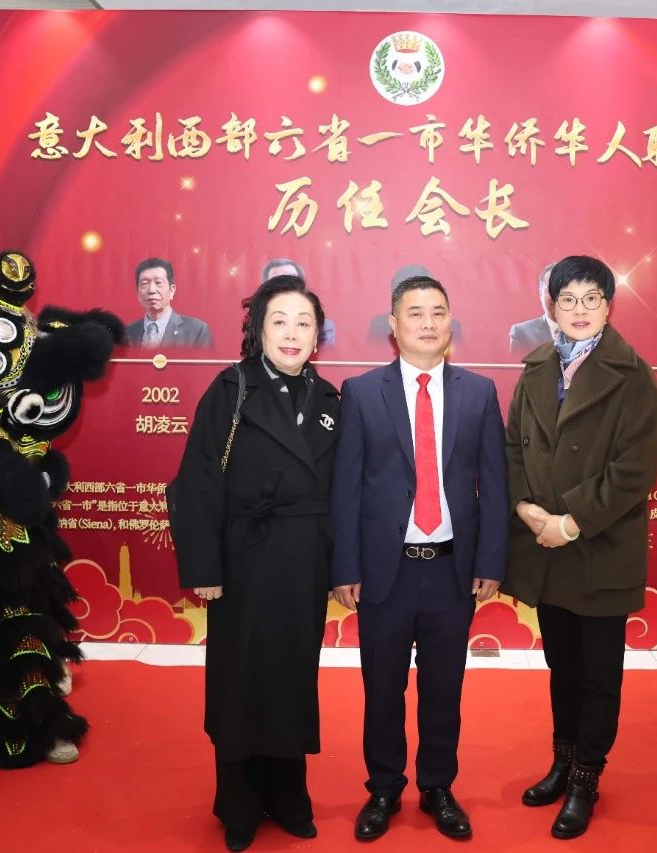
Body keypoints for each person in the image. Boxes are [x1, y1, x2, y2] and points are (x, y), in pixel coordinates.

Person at [331, 275, 508, 841]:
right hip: (385, 572)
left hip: (452, 570)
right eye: (415, 313)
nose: (428, 323)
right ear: (394, 324)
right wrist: (345, 567)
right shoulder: (362, 392)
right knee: (382, 689)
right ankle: (383, 788)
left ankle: (437, 786)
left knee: (443, 689)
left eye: (438, 312)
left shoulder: (479, 392)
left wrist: (491, 561)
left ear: (451, 321)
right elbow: (346, 488)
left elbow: (495, 486)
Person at [169, 275, 339, 852]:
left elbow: (345, 492)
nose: (292, 334)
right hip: (243, 561)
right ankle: (238, 804)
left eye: (303, 323)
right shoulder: (230, 390)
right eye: (279, 321)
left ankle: (288, 796)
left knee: (293, 677)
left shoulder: (330, 400)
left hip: (305, 563)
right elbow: (196, 483)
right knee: (241, 681)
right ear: (258, 330)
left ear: (318, 335)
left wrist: (341, 567)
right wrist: (205, 569)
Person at [502, 255, 657, 840]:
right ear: (552, 306)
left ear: (607, 306)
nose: (578, 309)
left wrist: (570, 523)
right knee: (562, 667)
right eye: (567, 299)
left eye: (590, 298)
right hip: (546, 548)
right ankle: (562, 762)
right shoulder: (537, 368)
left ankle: (586, 779)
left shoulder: (634, 376)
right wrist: (526, 508)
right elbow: (512, 448)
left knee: (598, 674)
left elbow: (633, 471)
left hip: (597, 547)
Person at [125, 257, 213, 348]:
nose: (151, 290)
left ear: (171, 291)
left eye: (158, 282)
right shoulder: (125, 334)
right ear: (138, 294)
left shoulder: (197, 331)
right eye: (144, 284)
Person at [367, 264, 464, 344]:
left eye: (438, 314)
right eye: (415, 314)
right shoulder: (379, 325)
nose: (428, 325)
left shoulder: (453, 326)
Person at [262, 257, 335, 347]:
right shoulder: (255, 323)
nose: (284, 287)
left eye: (291, 280)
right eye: (277, 281)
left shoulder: (324, 328)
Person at [508, 261, 559, 355]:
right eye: (552, 289)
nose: (557, 296)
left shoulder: (586, 333)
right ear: (541, 293)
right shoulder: (522, 333)